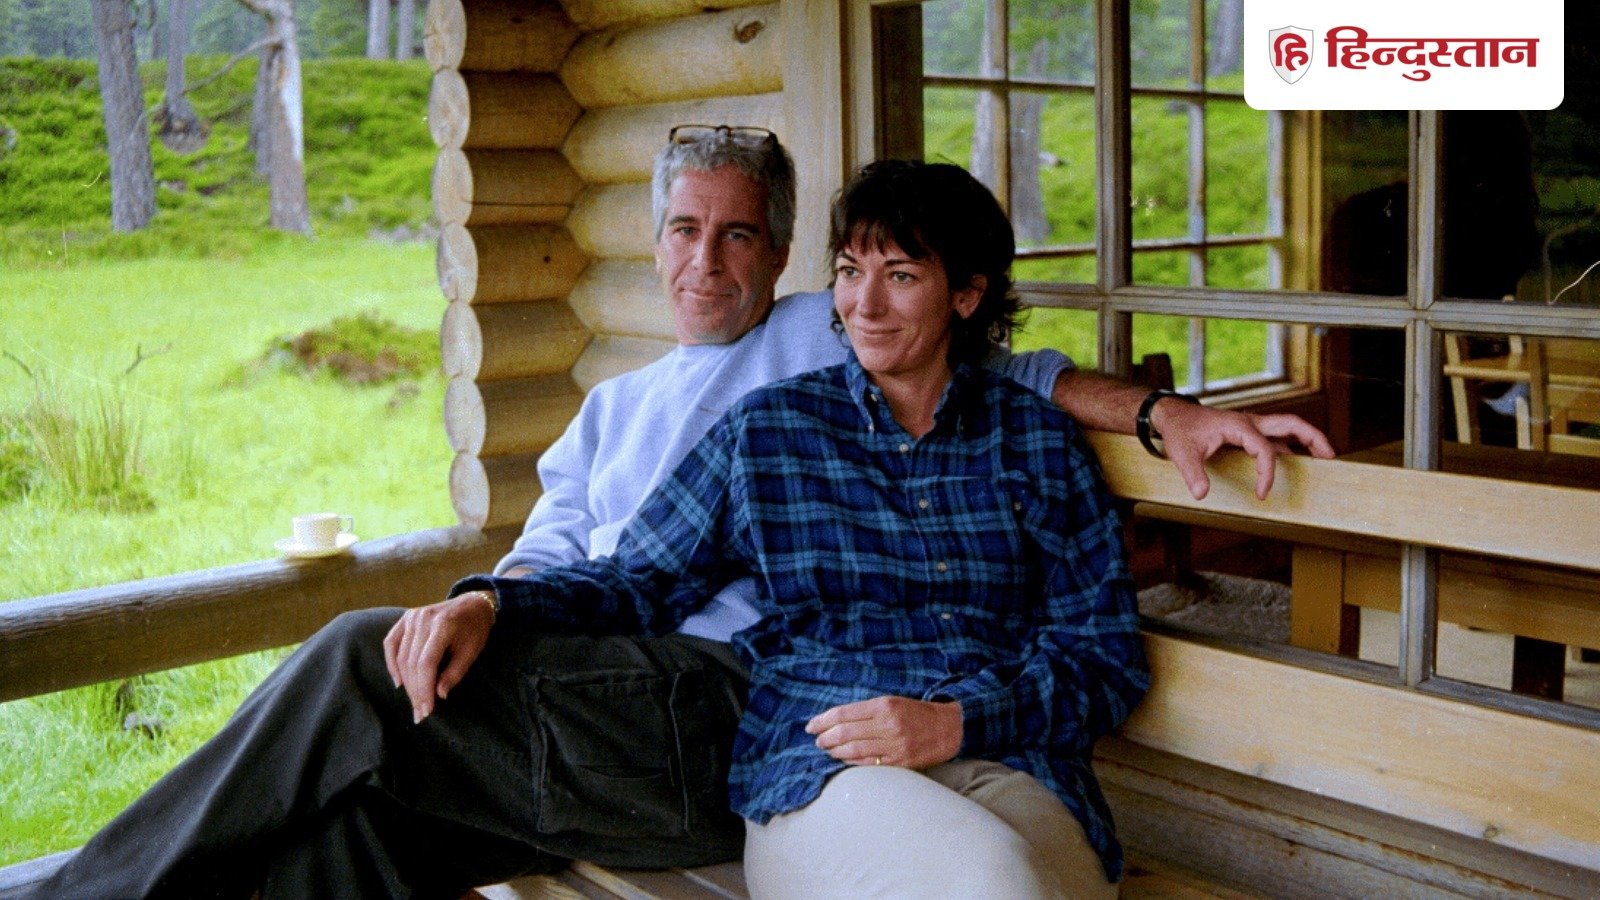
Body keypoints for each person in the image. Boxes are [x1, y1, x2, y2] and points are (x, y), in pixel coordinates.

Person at [31, 128, 1326, 898]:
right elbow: (613, 570)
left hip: (744, 704)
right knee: (378, 784)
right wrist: (490, 600)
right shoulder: (673, 416)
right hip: (716, 714)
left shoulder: (839, 348)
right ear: (652, 241)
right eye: (683, 231)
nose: (709, 261)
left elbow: (1028, 396)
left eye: (740, 236)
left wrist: (1161, 415)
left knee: (358, 689)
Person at [444, 157, 1147, 897]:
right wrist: (492, 601)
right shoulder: (769, 431)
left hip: (1012, 758)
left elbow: (1104, 657)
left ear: (967, 296)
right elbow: (635, 581)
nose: (865, 305)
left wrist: (959, 723)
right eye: (849, 271)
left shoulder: (1036, 442)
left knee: (1048, 884)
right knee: (1000, 883)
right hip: (828, 764)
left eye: (901, 276)